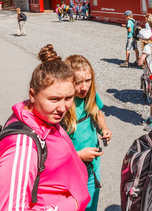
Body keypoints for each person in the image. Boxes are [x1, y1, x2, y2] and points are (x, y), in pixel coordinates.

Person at [0, 44, 90, 210]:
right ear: (32, 95)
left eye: (68, 98)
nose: (63, 108)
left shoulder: (45, 119)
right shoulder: (22, 146)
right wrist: (71, 204)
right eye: (54, 99)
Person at [62, 55, 112, 211]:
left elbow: (97, 113)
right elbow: (53, 147)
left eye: (88, 81)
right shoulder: (62, 105)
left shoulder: (90, 95)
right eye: (78, 83)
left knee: (91, 204)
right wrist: (78, 156)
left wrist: (104, 128)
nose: (84, 87)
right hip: (71, 169)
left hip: (93, 164)